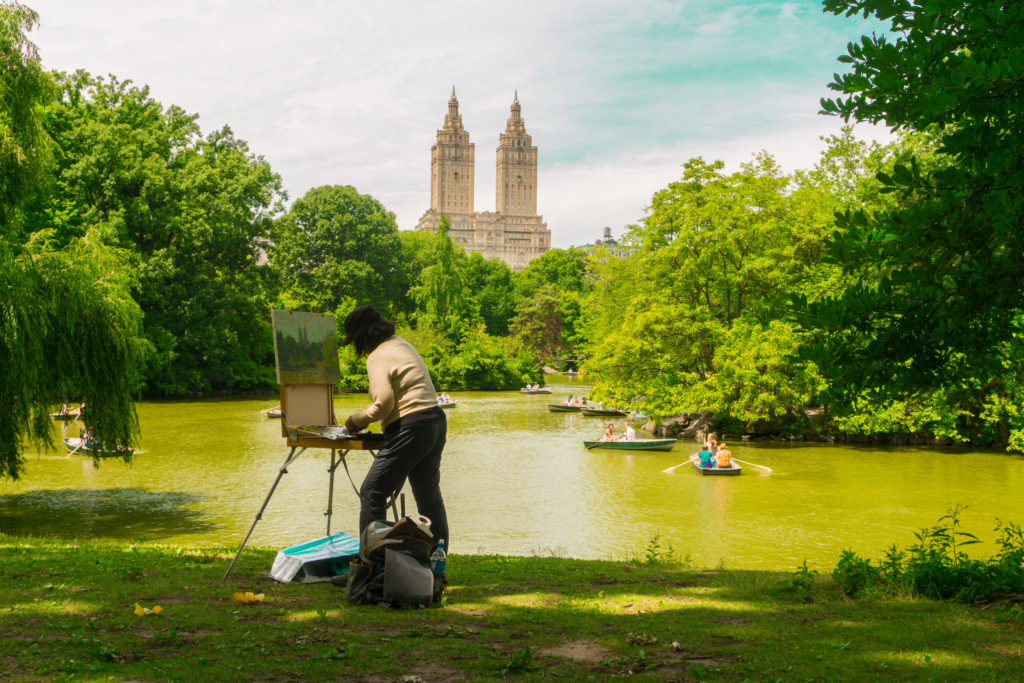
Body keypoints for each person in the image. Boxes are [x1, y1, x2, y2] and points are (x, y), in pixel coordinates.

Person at [341, 305, 449, 551]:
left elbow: (384, 404)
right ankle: (436, 564)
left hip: (411, 426)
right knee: (429, 497)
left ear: (361, 336)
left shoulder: (377, 355)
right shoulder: (400, 344)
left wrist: (357, 420)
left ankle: (369, 566)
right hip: (434, 421)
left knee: (372, 493)